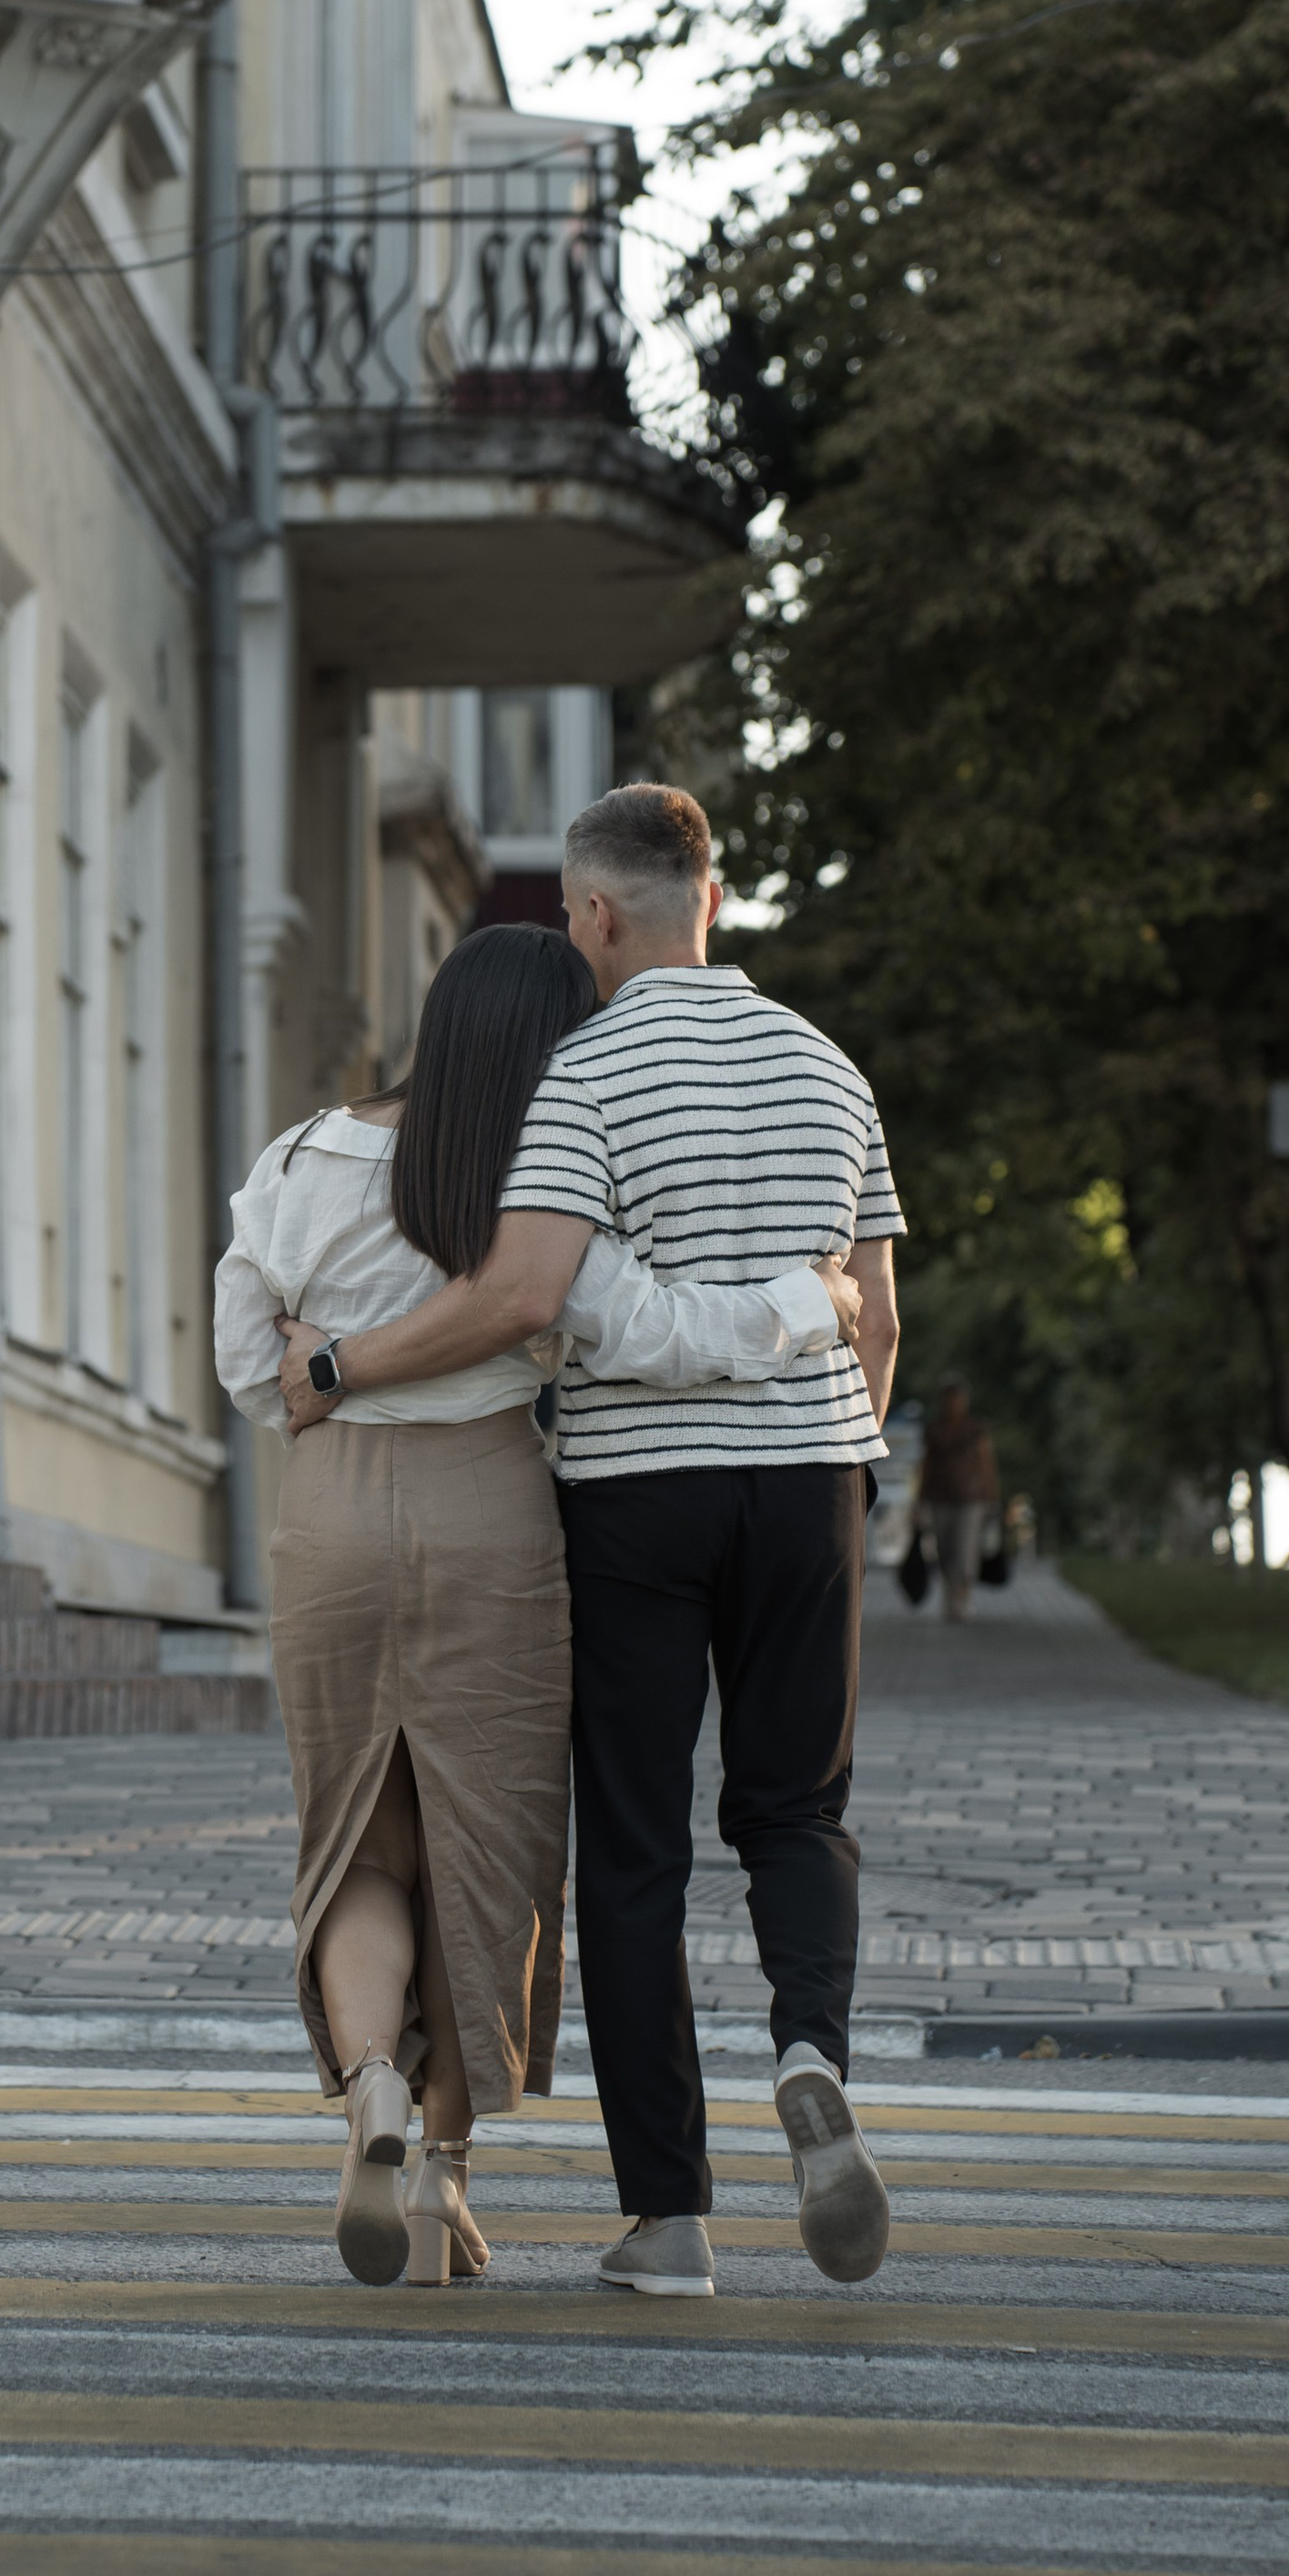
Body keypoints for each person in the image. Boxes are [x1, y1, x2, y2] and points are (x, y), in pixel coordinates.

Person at [279, 786, 904, 2302]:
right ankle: (811, 2055)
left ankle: (670, 2223)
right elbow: (877, 1312)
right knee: (798, 1811)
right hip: (810, 1475)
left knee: (632, 1851)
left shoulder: (589, 1070)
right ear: (717, 897)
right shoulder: (833, 1068)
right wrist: (847, 1466)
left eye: (569, 911)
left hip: (635, 1493)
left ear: (602, 915)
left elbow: (521, 1294)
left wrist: (343, 1368)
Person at [920, 1377, 1000, 1618]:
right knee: (944, 1548)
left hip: (971, 1498)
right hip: (940, 1496)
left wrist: (992, 1496)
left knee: (966, 1549)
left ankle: (962, 1598)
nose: (954, 1404)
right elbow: (926, 1465)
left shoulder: (976, 1429)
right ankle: (950, 1595)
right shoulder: (934, 1429)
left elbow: (986, 1463)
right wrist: (919, 1498)